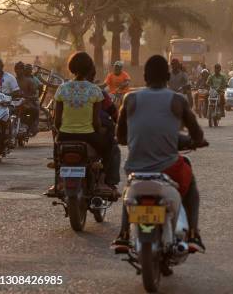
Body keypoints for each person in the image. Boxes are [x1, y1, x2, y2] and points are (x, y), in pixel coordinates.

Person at [113, 55, 206, 253]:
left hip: (135, 168)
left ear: (145, 76)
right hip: (168, 168)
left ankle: (123, 234)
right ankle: (193, 234)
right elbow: (196, 134)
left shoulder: (131, 98)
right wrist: (196, 141)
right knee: (190, 185)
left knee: (130, 190)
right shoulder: (177, 100)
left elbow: (120, 137)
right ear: (167, 76)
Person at [52, 52, 114, 195]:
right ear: (90, 69)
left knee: (57, 151)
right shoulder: (94, 90)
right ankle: (102, 180)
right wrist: (101, 131)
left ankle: (59, 181)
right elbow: (95, 122)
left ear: (72, 67)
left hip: (65, 136)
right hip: (88, 136)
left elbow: (57, 120)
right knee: (109, 144)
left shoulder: (62, 88)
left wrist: (62, 130)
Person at [0, 58, 20, 153]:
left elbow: (16, 91)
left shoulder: (10, 78)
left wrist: (9, 98)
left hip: (5, 105)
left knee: (7, 121)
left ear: (2, 67)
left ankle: (9, 138)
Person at [15, 62, 39, 136]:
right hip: (14, 104)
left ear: (23, 70)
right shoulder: (12, 80)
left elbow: (35, 94)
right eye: (17, 69)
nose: (19, 71)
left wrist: (30, 97)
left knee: (35, 111)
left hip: (26, 103)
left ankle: (28, 126)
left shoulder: (29, 81)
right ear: (15, 70)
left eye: (20, 69)